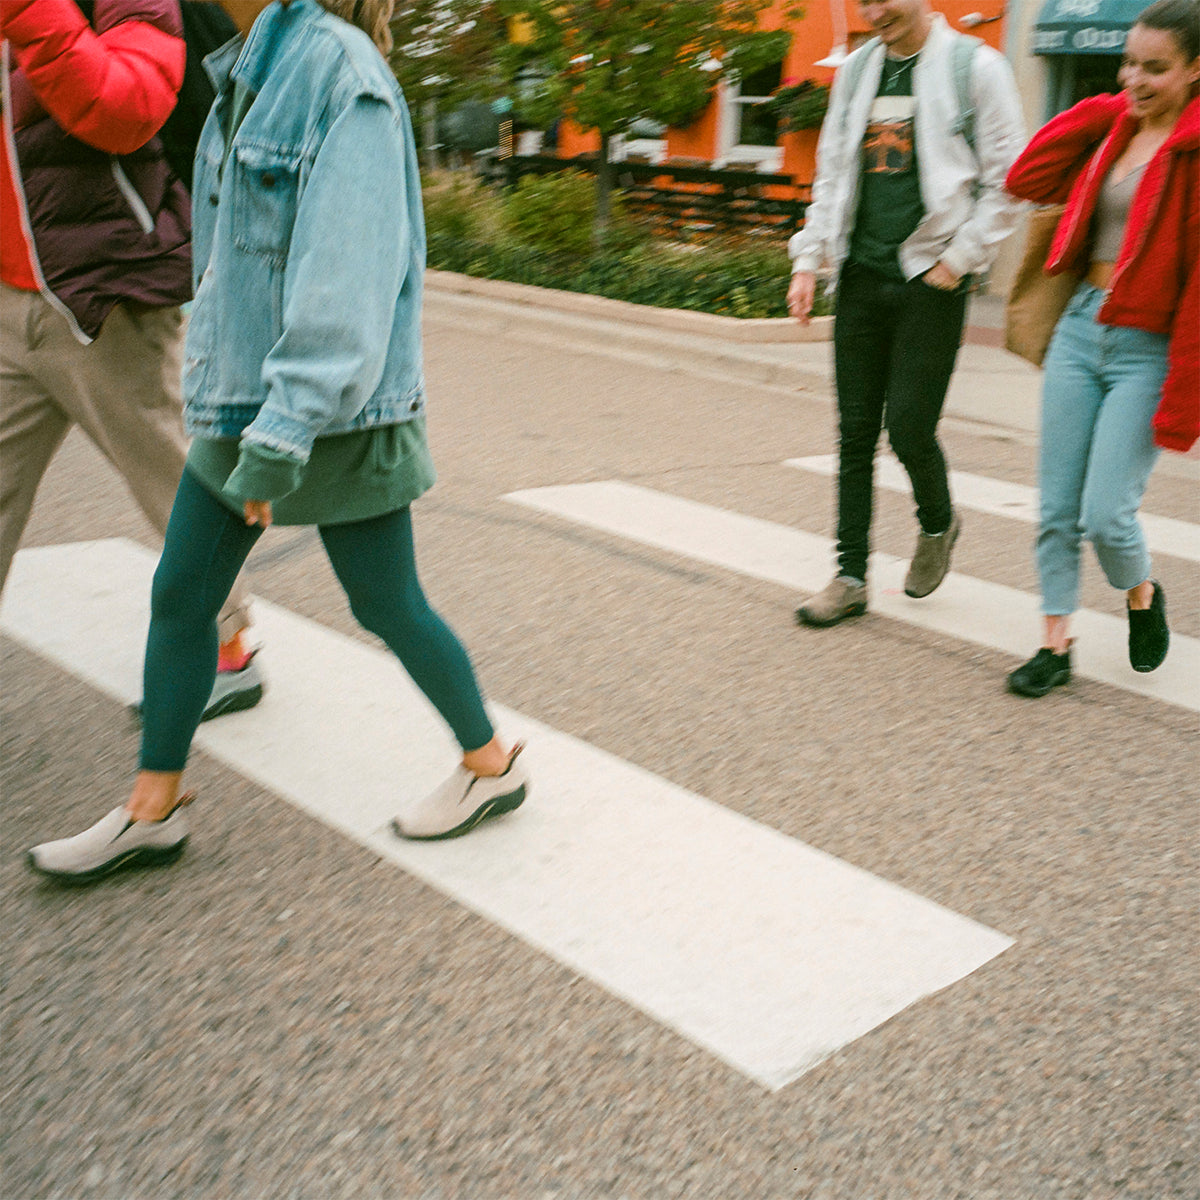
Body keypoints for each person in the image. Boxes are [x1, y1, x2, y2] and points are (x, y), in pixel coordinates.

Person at [27, 0, 528, 882]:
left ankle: (489, 763)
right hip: (242, 405)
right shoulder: (248, 73)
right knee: (182, 597)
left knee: (387, 605)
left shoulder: (342, 79)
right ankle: (155, 806)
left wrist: (280, 436)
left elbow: (347, 285)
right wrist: (234, 406)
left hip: (329, 415)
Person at [0, 0, 264, 720]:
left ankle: (228, 642)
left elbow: (130, 107)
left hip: (106, 295)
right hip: (9, 297)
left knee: (175, 478)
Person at [788, 0, 1024, 627]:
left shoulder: (977, 66)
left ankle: (938, 522)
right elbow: (832, 172)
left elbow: (1010, 180)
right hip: (861, 274)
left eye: (883, 1)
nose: (873, 12)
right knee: (856, 434)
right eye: (863, 3)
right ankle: (849, 575)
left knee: (910, 428)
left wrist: (960, 260)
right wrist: (808, 259)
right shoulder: (859, 69)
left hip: (931, 278)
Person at [1003, 0, 1198, 698]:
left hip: (1148, 349)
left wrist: (1184, 394)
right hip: (1080, 327)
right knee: (1056, 507)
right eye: (1129, 63)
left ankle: (1141, 592)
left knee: (1107, 514)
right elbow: (1026, 177)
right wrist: (1098, 111)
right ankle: (1055, 643)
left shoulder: (1196, 150)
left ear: (1195, 68)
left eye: (1155, 67)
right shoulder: (1113, 126)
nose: (1136, 78)